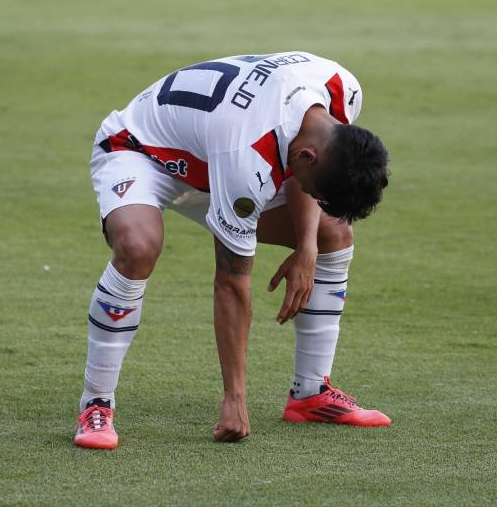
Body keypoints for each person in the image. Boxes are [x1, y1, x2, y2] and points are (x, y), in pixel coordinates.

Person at [75, 52, 392, 449]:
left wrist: (307, 247)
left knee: (334, 234)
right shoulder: (247, 155)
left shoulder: (340, 88)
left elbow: (301, 165)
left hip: (216, 155)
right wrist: (235, 397)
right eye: (316, 191)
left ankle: (310, 394)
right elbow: (230, 281)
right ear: (306, 159)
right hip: (143, 152)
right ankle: (96, 404)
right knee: (139, 246)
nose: (313, 195)